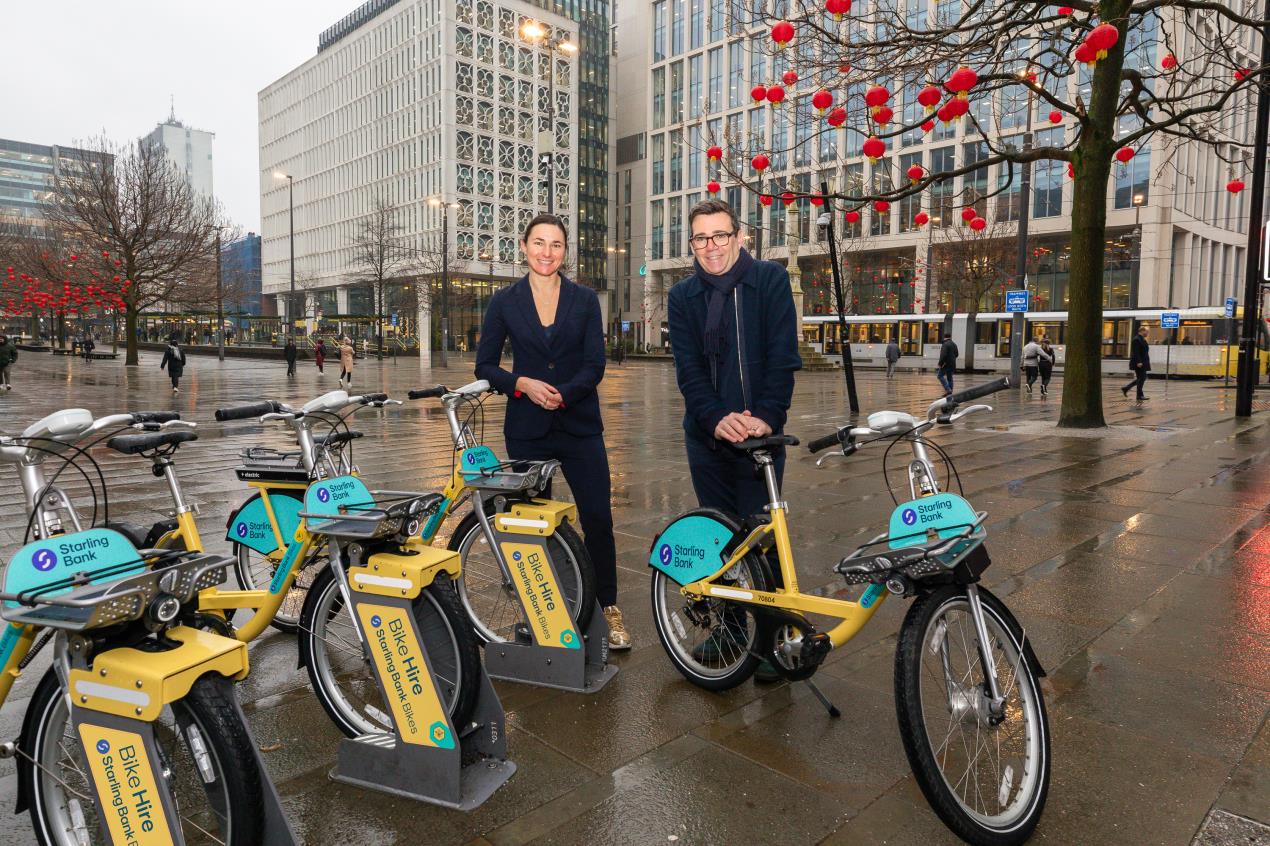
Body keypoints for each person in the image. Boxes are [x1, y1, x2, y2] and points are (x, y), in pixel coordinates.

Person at [475, 213, 629, 650]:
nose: (547, 252)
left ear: (565, 251)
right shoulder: (504, 302)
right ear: (523, 247)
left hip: (579, 423)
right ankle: (547, 608)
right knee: (533, 523)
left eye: (556, 245)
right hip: (527, 427)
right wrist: (520, 384)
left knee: (598, 518)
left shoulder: (583, 300)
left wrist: (563, 394)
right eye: (539, 243)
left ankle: (608, 606)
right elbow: (485, 365)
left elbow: (594, 364)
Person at [668, 199, 802, 681]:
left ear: (739, 236)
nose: (712, 247)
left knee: (763, 536)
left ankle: (774, 639)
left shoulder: (768, 281)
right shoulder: (683, 296)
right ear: (692, 244)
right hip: (709, 437)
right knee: (717, 540)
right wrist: (714, 418)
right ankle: (727, 630)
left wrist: (766, 416)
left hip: (761, 438)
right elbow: (688, 370)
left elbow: (783, 356)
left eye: (720, 235)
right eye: (701, 238)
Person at [1122, 324, 1151, 400]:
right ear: (1142, 331)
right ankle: (1139, 395)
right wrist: (1139, 362)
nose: (1147, 334)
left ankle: (1127, 388)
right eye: (1147, 332)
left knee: (1141, 378)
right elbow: (1136, 352)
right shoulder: (1136, 339)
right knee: (1142, 378)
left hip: (1143, 362)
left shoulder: (1141, 339)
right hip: (1139, 363)